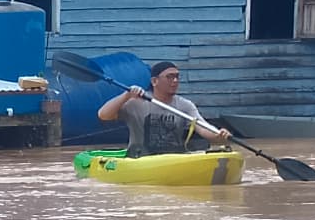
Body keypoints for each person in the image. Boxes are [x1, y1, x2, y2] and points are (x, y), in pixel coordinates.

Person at [98, 60, 230, 155]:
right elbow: (103, 115)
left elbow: (202, 127)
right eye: (169, 77)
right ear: (154, 81)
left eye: (177, 77)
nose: (175, 81)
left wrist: (218, 135)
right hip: (141, 158)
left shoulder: (185, 105)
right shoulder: (136, 103)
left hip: (173, 159)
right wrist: (126, 95)